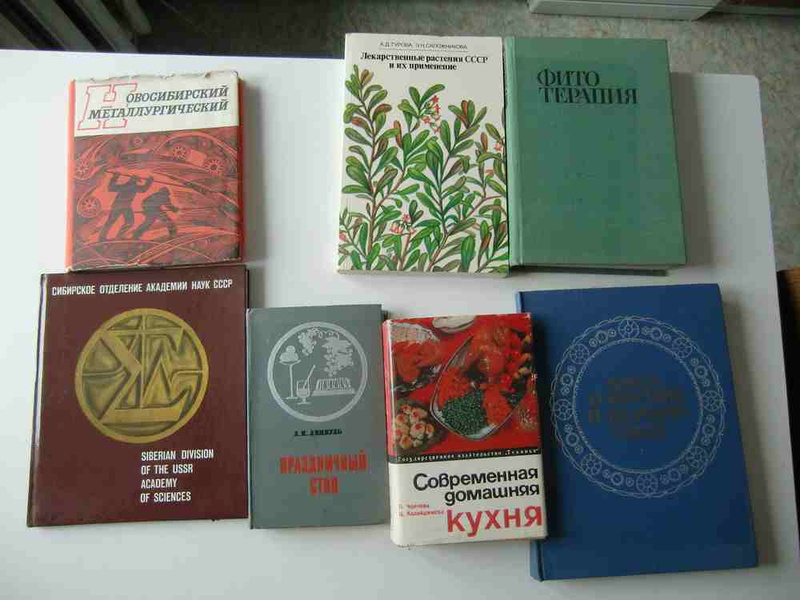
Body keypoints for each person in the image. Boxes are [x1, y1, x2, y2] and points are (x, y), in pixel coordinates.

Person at [98, 173, 153, 241]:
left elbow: (110, 188)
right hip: (121, 206)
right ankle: (116, 236)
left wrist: (115, 177)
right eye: (136, 181)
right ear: (134, 181)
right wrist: (150, 181)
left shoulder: (124, 186)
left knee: (117, 222)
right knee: (128, 222)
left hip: (122, 206)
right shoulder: (133, 187)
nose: (136, 182)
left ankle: (104, 237)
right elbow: (144, 189)